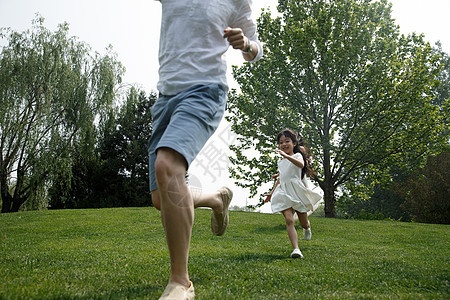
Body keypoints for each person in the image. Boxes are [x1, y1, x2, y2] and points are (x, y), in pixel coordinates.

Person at [148, 1, 262, 299]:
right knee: (163, 198)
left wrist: (246, 43)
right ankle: (216, 199)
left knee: (167, 167)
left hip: (205, 90)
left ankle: (180, 282)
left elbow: (255, 50)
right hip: (165, 97)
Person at [265, 129, 322, 259]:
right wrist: (271, 193)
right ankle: (296, 249)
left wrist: (286, 156)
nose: (284, 144)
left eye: (287, 141)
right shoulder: (281, 161)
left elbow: (301, 165)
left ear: (294, 143)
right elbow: (282, 179)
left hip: (296, 191)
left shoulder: (297, 156)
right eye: (281, 142)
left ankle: (307, 228)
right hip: (283, 192)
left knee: (303, 222)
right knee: (289, 220)